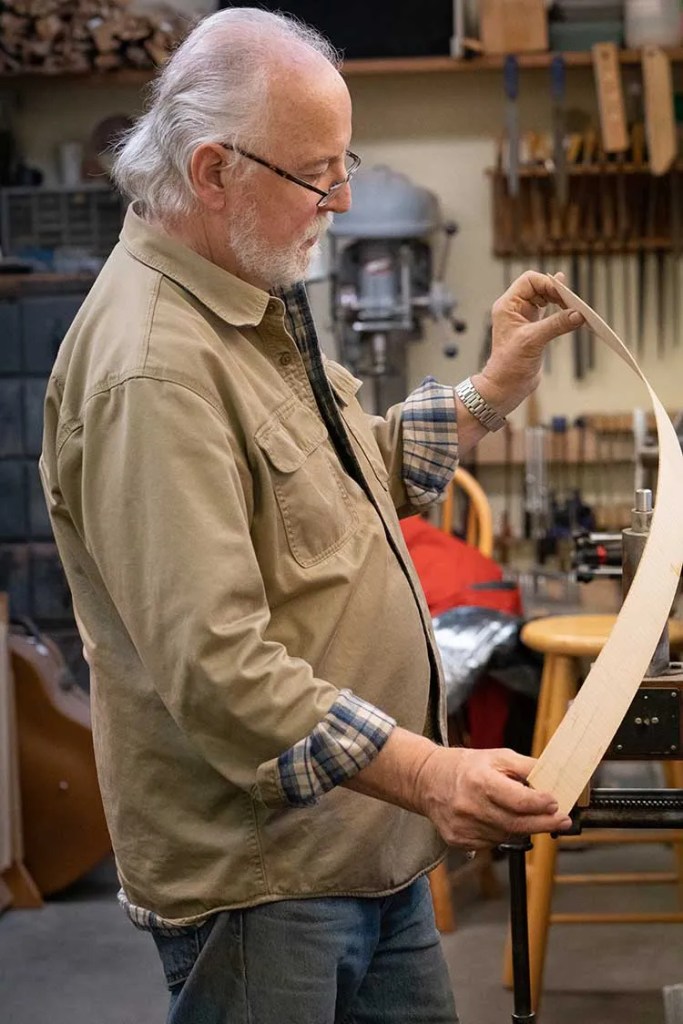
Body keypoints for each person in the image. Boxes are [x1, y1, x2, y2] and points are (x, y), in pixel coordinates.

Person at [40, 8, 583, 1024]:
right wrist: (430, 773)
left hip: (362, 844)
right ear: (211, 172)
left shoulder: (246, 301)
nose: (337, 198)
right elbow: (217, 666)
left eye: (344, 164)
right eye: (313, 173)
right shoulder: (155, 370)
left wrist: (487, 391)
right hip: (265, 882)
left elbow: (353, 471)